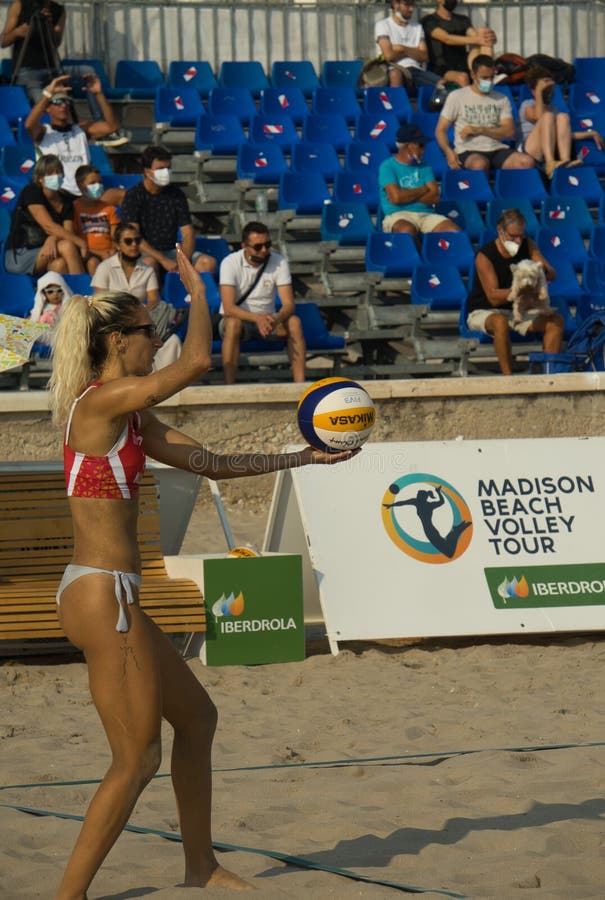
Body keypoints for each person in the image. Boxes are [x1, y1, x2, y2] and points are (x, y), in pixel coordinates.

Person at [47, 246, 355, 899]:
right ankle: (67, 895)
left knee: (197, 719)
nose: (155, 341)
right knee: (135, 760)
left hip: (115, 593)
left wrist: (300, 457)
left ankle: (198, 865)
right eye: (146, 331)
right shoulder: (98, 403)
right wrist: (196, 288)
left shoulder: (129, 414)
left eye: (158, 328)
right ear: (114, 342)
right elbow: (194, 362)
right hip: (104, 595)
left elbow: (210, 463)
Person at [2, 0, 128, 144]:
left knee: (88, 72)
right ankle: (49, 140)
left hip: (53, 69)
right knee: (46, 104)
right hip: (27, 72)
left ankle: (101, 128)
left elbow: (56, 42)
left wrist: (48, 25)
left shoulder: (58, 10)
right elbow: (4, 40)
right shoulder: (20, 4)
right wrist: (19, 32)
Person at [466, 208, 564, 375]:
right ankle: (509, 379)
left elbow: (551, 273)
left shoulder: (528, 244)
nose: (518, 241)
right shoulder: (485, 256)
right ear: (500, 231)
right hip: (484, 310)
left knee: (555, 321)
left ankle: (549, 374)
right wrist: (519, 290)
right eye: (513, 237)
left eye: (521, 236)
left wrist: (542, 273)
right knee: (499, 321)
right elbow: (493, 297)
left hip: (516, 309)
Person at [218, 220, 306, 384]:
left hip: (269, 319)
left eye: (267, 244)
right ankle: (228, 385)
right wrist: (258, 319)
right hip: (241, 320)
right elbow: (229, 307)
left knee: (294, 323)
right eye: (258, 247)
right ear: (244, 245)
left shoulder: (279, 261)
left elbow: (288, 304)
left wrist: (275, 320)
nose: (264, 250)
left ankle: (300, 385)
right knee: (232, 324)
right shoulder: (230, 263)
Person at [93, 222, 182, 370]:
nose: (134, 245)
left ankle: (164, 385)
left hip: (140, 322)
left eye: (137, 240)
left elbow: (153, 299)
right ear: (117, 245)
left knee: (172, 341)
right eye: (128, 241)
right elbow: (100, 302)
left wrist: (138, 317)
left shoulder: (147, 269)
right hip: (114, 323)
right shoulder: (105, 268)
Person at [120, 145, 215, 279]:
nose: (166, 172)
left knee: (207, 263)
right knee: (149, 264)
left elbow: (187, 232)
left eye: (168, 168)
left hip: (171, 250)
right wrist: (162, 260)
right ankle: (154, 300)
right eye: (160, 169)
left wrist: (184, 261)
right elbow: (134, 236)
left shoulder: (176, 195)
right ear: (147, 172)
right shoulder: (133, 196)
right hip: (145, 252)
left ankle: (191, 297)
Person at [24, 73, 125, 198]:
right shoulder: (44, 132)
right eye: (58, 101)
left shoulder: (81, 129)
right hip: (59, 193)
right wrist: (48, 93)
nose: (63, 105)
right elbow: (29, 124)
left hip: (85, 193)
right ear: (48, 108)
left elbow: (112, 126)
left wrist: (99, 94)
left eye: (66, 101)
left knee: (123, 196)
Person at [436, 54, 534, 172]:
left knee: (526, 162)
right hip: (468, 150)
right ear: (473, 75)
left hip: (497, 149)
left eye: (492, 77)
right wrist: (448, 151)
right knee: (479, 164)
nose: (489, 81)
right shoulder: (457, 96)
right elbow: (440, 130)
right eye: (484, 78)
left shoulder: (501, 98)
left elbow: (509, 131)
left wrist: (479, 130)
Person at [4, 154, 87, 275]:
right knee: (67, 246)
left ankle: (67, 293)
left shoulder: (66, 200)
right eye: (50, 173)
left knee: (60, 265)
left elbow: (68, 231)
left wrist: (52, 238)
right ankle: (84, 292)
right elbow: (48, 226)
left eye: (58, 172)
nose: (56, 176)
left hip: (49, 250)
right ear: (40, 178)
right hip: (21, 252)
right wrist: (81, 243)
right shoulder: (31, 191)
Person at [517, 66, 604, 178]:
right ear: (533, 90)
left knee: (563, 117)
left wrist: (591, 133)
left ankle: (565, 161)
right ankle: (550, 163)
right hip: (529, 151)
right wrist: (539, 91)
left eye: (550, 89)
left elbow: (564, 135)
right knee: (547, 116)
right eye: (546, 89)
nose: (549, 92)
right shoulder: (527, 105)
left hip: (548, 150)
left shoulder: (554, 109)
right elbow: (540, 117)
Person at [378, 122, 460, 240]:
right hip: (398, 215)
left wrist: (405, 193)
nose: (424, 149)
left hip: (427, 215)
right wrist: (423, 189)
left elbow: (435, 197)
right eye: (420, 145)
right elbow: (397, 198)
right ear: (408, 146)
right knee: (406, 231)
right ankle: (421, 258)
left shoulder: (425, 166)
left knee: (454, 232)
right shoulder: (387, 166)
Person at [421, 0, 497, 88]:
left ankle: (487, 74)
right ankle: (469, 99)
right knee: (462, 77)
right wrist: (478, 39)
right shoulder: (429, 21)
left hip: (463, 63)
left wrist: (488, 37)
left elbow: (475, 35)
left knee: (484, 34)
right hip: (441, 67)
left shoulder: (462, 20)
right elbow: (446, 38)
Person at [374, 0, 442, 89]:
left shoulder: (417, 27)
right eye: (407, 5)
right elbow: (389, 56)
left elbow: (424, 56)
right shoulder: (383, 25)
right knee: (395, 74)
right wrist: (414, 52)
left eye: (412, 5)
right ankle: (397, 102)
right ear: (395, 4)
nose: (411, 9)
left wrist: (402, 49)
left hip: (415, 71)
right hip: (391, 69)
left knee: (444, 84)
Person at [73, 164, 120, 275]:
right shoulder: (73, 208)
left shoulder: (109, 208)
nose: (98, 186)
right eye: (92, 183)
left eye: (99, 182)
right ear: (80, 186)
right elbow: (74, 237)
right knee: (93, 263)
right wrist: (99, 253)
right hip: (88, 253)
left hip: (109, 253)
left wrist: (113, 249)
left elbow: (115, 235)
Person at [29, 270, 72, 343]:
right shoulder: (42, 306)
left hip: (58, 334)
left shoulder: (64, 307)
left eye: (59, 291)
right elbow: (34, 318)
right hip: (43, 332)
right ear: (43, 293)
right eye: (50, 291)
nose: (55, 294)